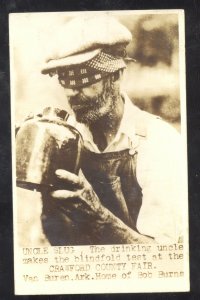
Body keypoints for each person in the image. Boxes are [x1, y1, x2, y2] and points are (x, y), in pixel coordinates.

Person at [39, 15, 183, 245]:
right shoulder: (66, 140)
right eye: (65, 80)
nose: (71, 93)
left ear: (115, 75)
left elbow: (164, 259)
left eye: (82, 78)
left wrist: (98, 218)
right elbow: (53, 235)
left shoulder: (159, 144)